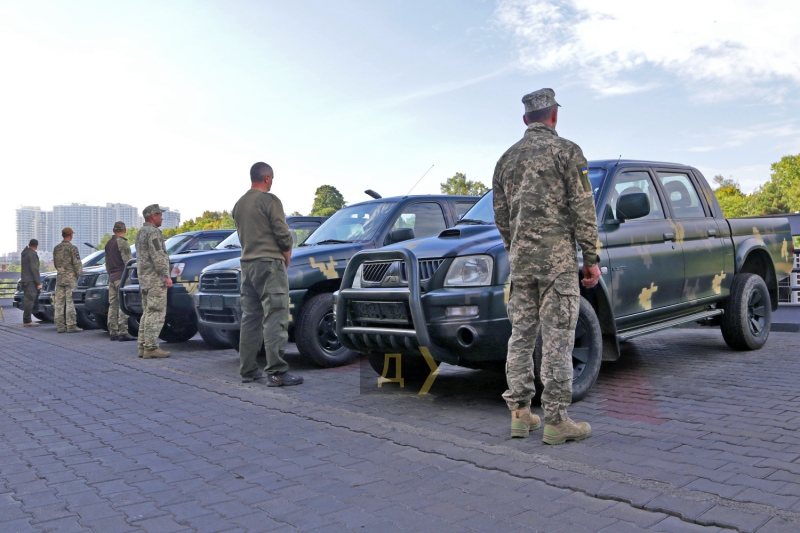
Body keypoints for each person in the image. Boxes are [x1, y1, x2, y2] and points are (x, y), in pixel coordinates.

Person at [493, 88, 601, 445]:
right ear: (554, 115)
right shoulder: (568, 152)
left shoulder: (506, 160)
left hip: (521, 265)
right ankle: (556, 420)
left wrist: (517, 250)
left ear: (526, 119)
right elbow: (583, 208)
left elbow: (501, 216)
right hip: (557, 264)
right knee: (557, 338)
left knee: (520, 337)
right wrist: (591, 258)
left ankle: (520, 415)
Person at [232, 162, 303, 386]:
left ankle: (248, 370)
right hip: (270, 264)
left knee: (251, 318)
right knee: (276, 315)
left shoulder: (239, 204)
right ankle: (277, 372)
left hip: (248, 264)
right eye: (272, 178)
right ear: (267, 178)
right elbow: (283, 234)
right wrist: (286, 256)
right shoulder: (270, 201)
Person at [135, 205, 172, 359]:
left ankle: (142, 345)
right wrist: (166, 275)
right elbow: (158, 256)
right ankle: (151, 347)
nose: (162, 218)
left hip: (144, 278)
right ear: (153, 216)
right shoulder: (153, 233)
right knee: (156, 312)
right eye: (160, 215)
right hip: (155, 278)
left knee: (147, 312)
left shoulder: (140, 233)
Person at [105, 221, 135, 341]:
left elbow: (107, 263)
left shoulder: (108, 243)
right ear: (125, 230)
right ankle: (123, 331)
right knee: (124, 305)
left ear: (113, 230)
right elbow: (128, 262)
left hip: (111, 278)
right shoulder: (123, 243)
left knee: (113, 305)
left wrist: (110, 275)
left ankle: (113, 331)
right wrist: (129, 277)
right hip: (121, 277)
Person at [53, 228, 83, 333]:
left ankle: (60, 326)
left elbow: (56, 264)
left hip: (60, 277)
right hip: (70, 278)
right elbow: (77, 264)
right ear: (70, 235)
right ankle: (71, 325)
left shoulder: (56, 248)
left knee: (59, 303)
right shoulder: (73, 248)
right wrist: (79, 276)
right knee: (70, 301)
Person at [20, 238, 42, 327]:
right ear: (36, 245)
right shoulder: (32, 254)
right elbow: (34, 269)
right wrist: (38, 282)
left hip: (25, 280)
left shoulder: (25, 253)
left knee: (27, 300)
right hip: (31, 281)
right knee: (30, 301)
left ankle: (27, 319)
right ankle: (27, 320)